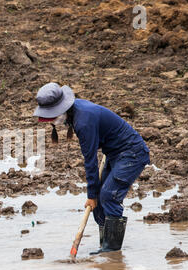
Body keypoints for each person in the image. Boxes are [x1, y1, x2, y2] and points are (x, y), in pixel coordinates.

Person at [33, 82, 150, 254]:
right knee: (100, 203)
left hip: (132, 153)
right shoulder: (75, 111)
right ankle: (104, 245)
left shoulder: (84, 121)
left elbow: (90, 161)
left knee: (108, 196)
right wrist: (94, 196)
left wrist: (91, 195)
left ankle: (112, 252)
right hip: (114, 154)